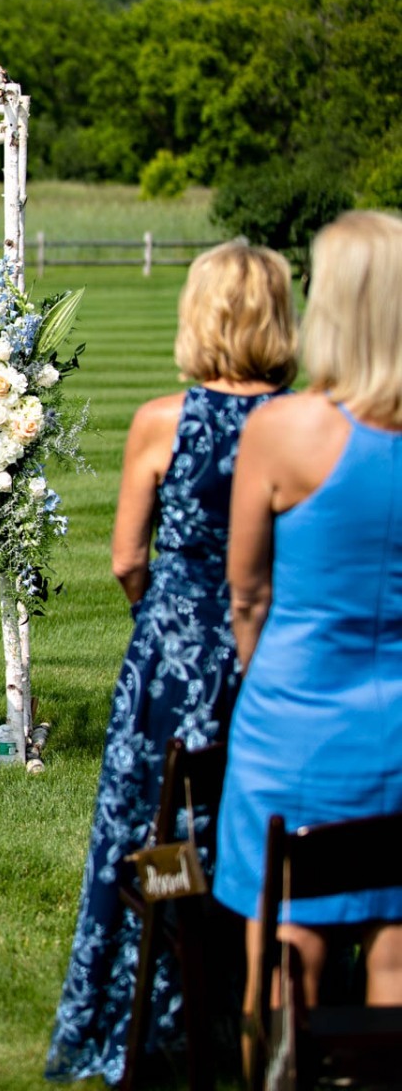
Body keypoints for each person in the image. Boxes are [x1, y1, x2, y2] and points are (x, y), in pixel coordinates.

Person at [45, 240, 297, 1084]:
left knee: (156, 834)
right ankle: (262, 1003)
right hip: (280, 647)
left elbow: (125, 557)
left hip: (178, 657)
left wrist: (164, 622)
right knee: (266, 829)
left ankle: (141, 1010)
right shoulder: (312, 423)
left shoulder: (165, 420)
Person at [215, 210, 402, 1056]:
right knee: (395, 958)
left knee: (283, 960)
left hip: (293, 720)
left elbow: (246, 592)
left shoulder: (287, 430)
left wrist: (265, 679)